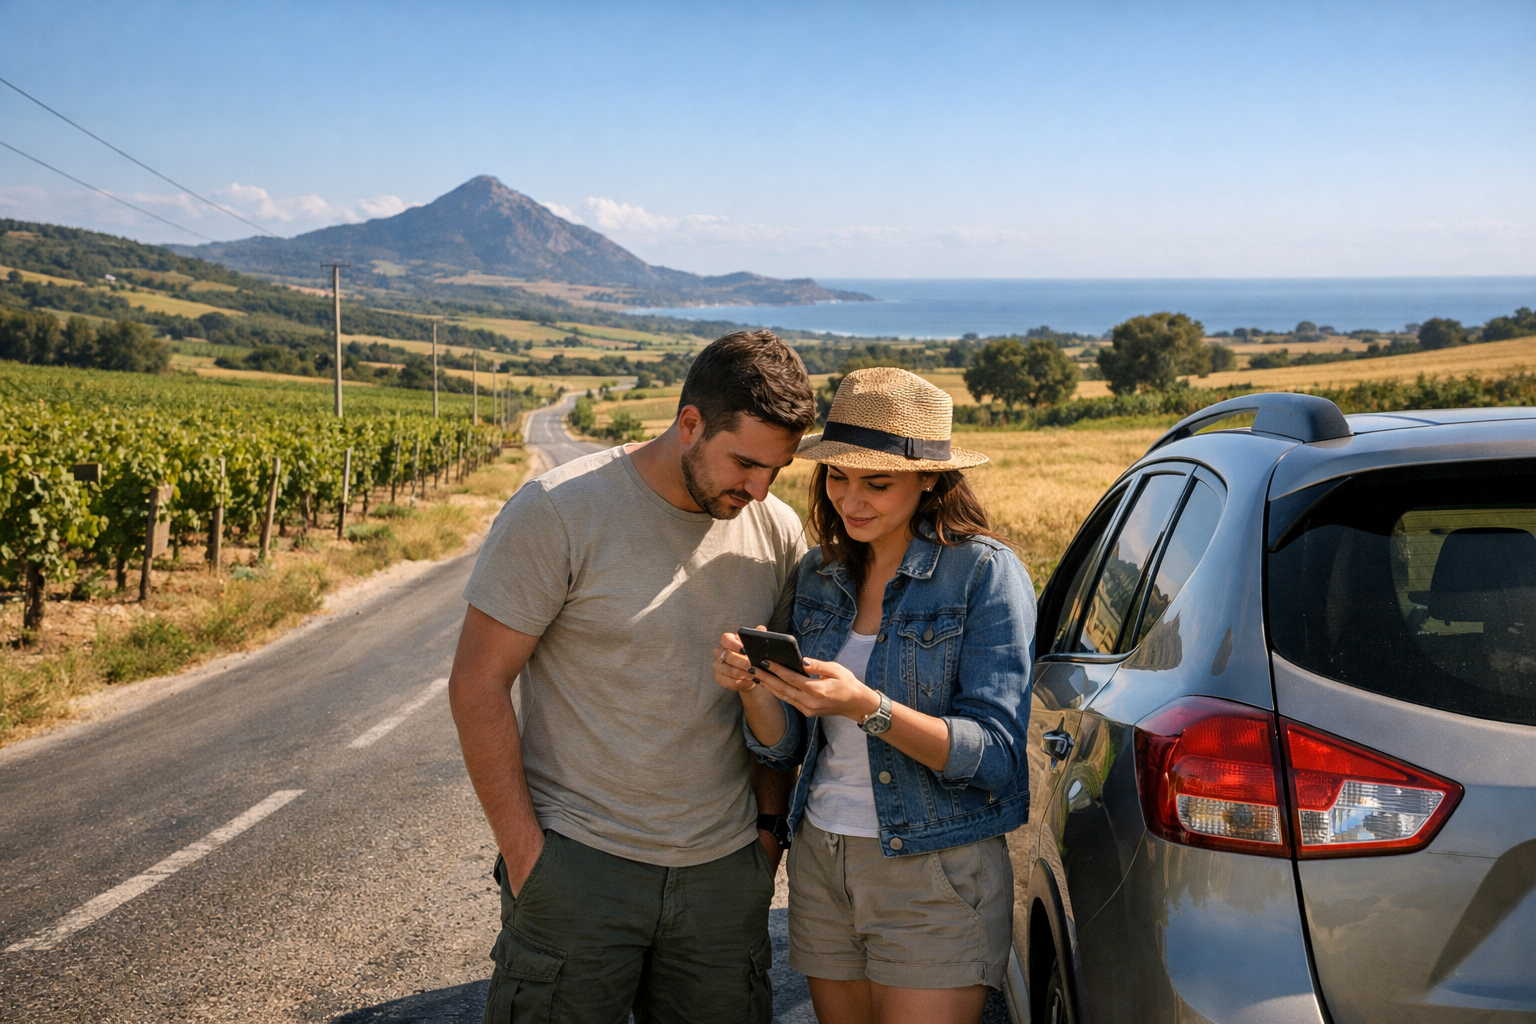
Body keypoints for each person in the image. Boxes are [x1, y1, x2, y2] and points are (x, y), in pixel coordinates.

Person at [450, 330, 816, 1024]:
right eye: (744, 463)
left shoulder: (777, 531)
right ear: (689, 424)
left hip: (724, 877)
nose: (760, 488)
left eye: (778, 469)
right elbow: (477, 684)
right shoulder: (558, 511)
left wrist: (767, 837)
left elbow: (778, 706)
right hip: (579, 869)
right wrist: (530, 862)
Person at [714, 366, 1035, 1024]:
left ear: (930, 480)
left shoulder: (984, 574)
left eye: (877, 483)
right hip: (824, 863)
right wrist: (754, 689)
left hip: (936, 871)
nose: (850, 500)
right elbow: (786, 749)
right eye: (837, 477)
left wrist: (868, 707)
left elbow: (997, 755)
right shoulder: (820, 574)